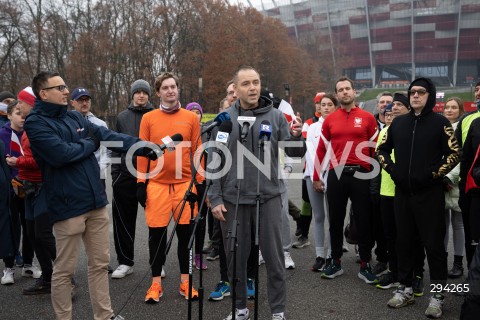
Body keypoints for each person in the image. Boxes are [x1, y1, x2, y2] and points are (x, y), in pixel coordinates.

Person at [25, 71, 153, 320]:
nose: (65, 91)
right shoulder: (36, 123)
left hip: (95, 203)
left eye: (65, 86)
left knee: (100, 265)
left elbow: (107, 136)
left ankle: (104, 315)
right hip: (67, 206)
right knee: (64, 270)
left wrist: (142, 145)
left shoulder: (74, 116)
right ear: (43, 93)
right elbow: (60, 154)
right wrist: (89, 143)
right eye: (59, 87)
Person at [208, 65, 305, 320]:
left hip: (269, 199)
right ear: (235, 90)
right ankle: (240, 309)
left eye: (256, 82)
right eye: (246, 84)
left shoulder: (275, 117)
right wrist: (215, 198)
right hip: (234, 201)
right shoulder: (224, 120)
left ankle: (278, 312)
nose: (253, 88)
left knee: (274, 261)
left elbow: (295, 153)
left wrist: (296, 136)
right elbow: (214, 162)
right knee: (236, 261)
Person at [377, 77, 460, 318]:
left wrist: (434, 174)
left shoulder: (440, 123)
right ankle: (405, 288)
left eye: (420, 92)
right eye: (412, 92)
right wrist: (393, 171)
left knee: (433, 244)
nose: (415, 96)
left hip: (429, 193)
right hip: (403, 193)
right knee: (404, 242)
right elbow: (381, 150)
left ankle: (438, 294)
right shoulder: (398, 123)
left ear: (429, 95)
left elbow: (454, 153)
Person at [138, 72, 203, 303]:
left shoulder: (191, 118)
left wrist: (200, 182)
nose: (170, 91)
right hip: (156, 184)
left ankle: (186, 282)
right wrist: (140, 182)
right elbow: (143, 152)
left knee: (185, 237)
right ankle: (156, 284)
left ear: (178, 89)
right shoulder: (148, 118)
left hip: (185, 184)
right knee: (157, 236)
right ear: (158, 92)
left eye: (173, 86)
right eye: (165, 87)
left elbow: (198, 151)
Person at [312, 76, 378, 285]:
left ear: (354, 91)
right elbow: (321, 149)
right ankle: (335, 262)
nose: (345, 92)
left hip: (362, 173)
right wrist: (316, 176)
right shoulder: (330, 120)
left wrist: (374, 174)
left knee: (364, 220)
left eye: (348, 88)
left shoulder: (367, 117)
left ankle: (366, 263)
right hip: (337, 172)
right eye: (340, 90)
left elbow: (375, 148)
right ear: (337, 94)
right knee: (335, 219)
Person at [9, 87, 57, 295]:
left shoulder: (39, 127)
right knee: (31, 234)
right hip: (28, 189)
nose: (18, 106)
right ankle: (47, 279)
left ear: (31, 104)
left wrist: (16, 161)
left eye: (21, 102)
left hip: (43, 187)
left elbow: (43, 159)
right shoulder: (28, 127)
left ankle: (66, 276)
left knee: (43, 234)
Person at [110, 79, 154, 279]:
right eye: (138, 92)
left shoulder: (155, 115)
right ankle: (125, 262)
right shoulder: (122, 117)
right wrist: (115, 174)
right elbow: (115, 145)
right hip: (125, 175)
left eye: (144, 92)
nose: (141, 95)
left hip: (151, 176)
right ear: (132, 94)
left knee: (156, 221)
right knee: (123, 221)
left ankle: (157, 262)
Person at [0, 100, 40, 285]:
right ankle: (8, 266)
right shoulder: (2, 135)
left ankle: (28, 264)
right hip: (8, 188)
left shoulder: (32, 133)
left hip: (30, 186)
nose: (22, 116)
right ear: (8, 115)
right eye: (17, 112)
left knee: (30, 225)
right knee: (10, 226)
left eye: (24, 112)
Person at [305, 93, 338, 271]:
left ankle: (333, 255)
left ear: (335, 107)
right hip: (314, 176)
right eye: (322, 104)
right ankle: (319, 256)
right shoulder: (312, 128)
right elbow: (310, 154)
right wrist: (316, 177)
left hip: (333, 176)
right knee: (318, 216)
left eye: (329, 104)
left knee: (334, 217)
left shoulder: (339, 126)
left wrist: (327, 174)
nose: (325, 107)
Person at [456, 81, 480, 270]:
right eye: (477, 90)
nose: (478, 93)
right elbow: (464, 157)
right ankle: (472, 285)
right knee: (473, 238)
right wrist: (463, 189)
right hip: (474, 192)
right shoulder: (472, 121)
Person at [442, 97, 465, 278]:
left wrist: (450, 177)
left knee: (458, 225)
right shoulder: (440, 127)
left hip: (456, 183)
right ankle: (442, 260)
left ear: (460, 110)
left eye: (453, 107)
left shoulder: (463, 127)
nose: (449, 110)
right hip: (440, 183)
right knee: (442, 225)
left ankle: (458, 263)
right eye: (447, 107)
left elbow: (461, 156)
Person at [185, 101, 208, 270]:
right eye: (191, 111)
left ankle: (199, 254)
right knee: (186, 221)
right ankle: (187, 253)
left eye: (197, 111)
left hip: (203, 182)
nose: (195, 114)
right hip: (185, 181)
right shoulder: (183, 131)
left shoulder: (208, 132)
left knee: (201, 220)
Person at [70, 87, 110, 182]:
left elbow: (107, 150)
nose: (84, 103)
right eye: (80, 100)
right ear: (72, 103)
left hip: (97, 174)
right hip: (74, 175)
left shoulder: (100, 124)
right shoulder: (67, 123)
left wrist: (101, 169)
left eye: (87, 100)